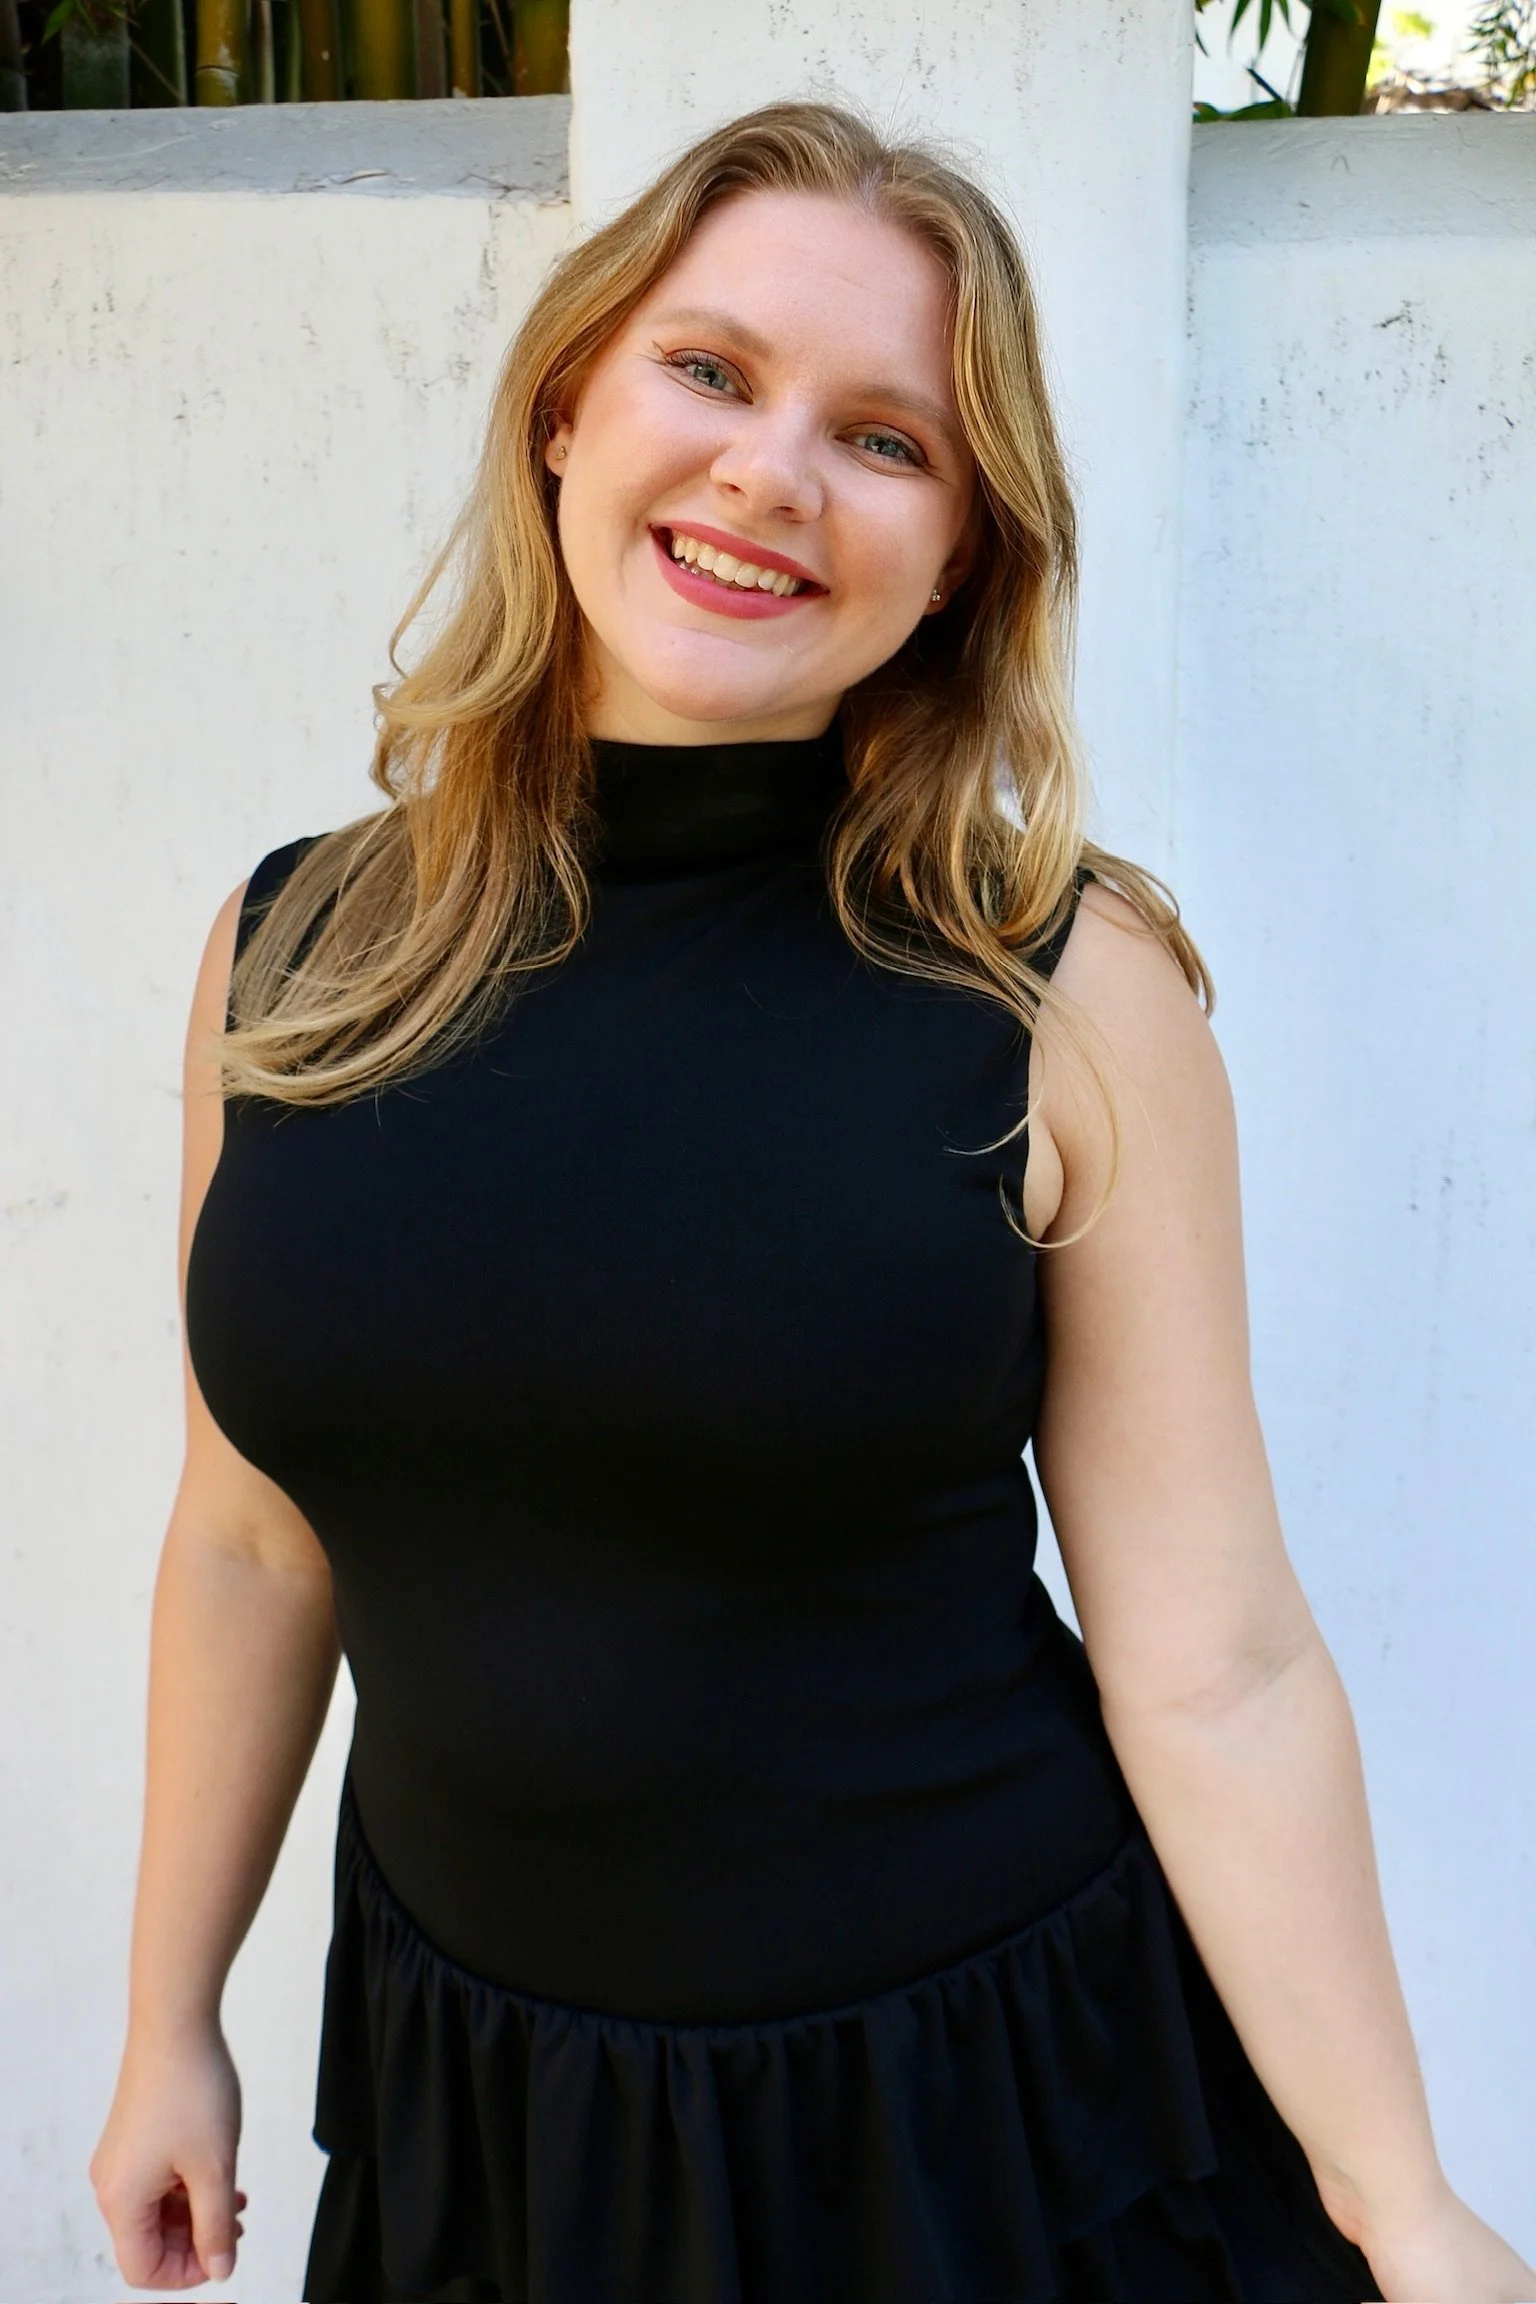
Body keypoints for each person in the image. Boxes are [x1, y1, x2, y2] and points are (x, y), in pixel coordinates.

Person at [88, 99, 1534, 2304]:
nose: (773, 472)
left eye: (888, 439)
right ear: (570, 401)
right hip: (494, 2124)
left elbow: (1215, 1662)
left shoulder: (1056, 985)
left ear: (962, 553)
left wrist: (1404, 2202)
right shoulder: (300, 949)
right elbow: (249, 1535)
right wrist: (166, 2019)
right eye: (714, 372)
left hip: (973, 2125)